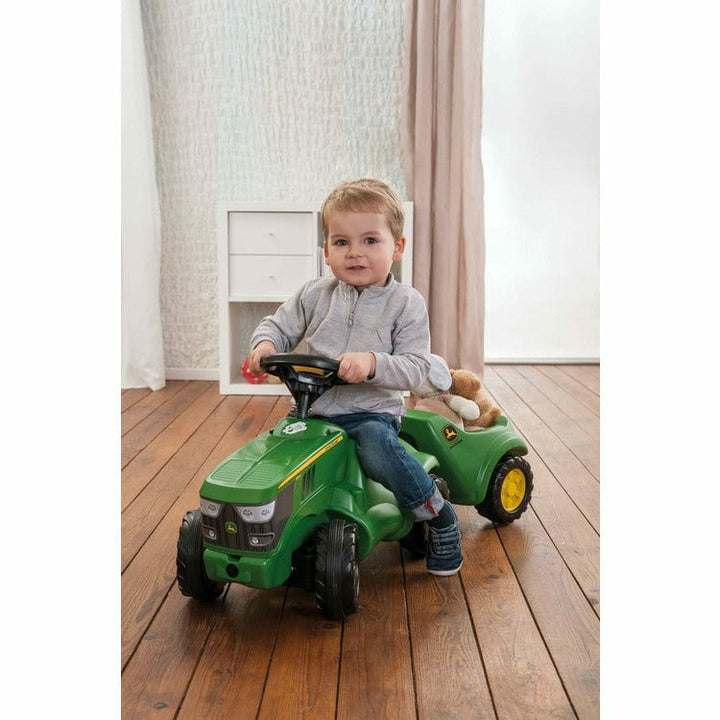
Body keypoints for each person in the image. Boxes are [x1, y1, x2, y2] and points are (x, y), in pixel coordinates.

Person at [246, 178, 462, 576]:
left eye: (370, 240)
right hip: (312, 412)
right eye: (342, 242)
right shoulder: (314, 294)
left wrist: (373, 363)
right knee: (276, 451)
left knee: (379, 450)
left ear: (397, 247)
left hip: (370, 414)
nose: (355, 252)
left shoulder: (406, 303)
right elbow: (276, 325)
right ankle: (271, 525)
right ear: (326, 252)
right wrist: (264, 346)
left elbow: (415, 366)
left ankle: (437, 513)